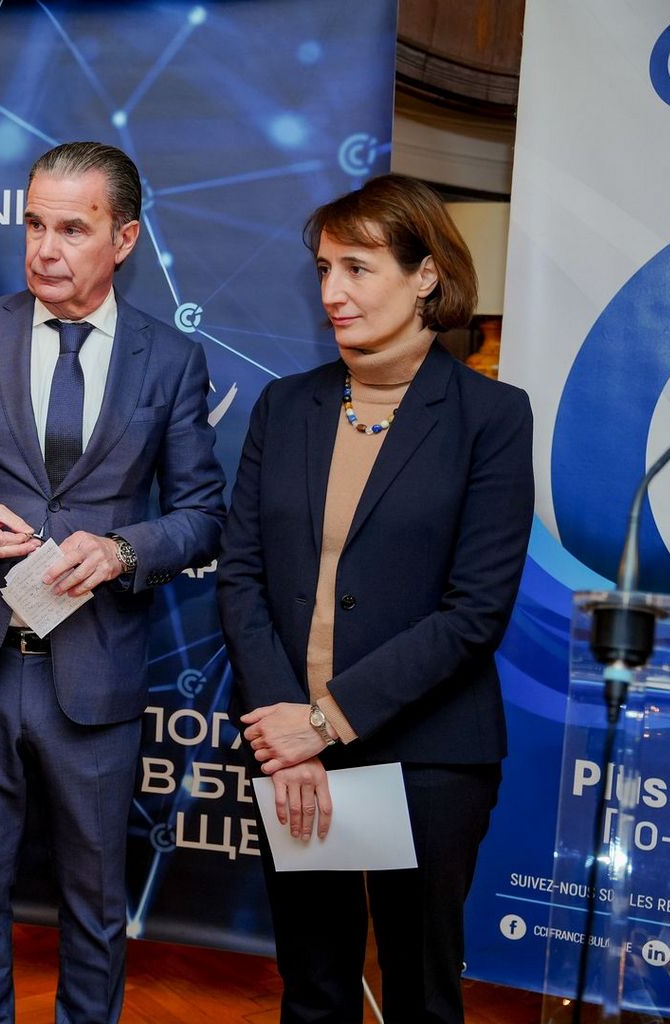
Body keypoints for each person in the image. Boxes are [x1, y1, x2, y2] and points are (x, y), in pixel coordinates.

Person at [0, 141, 226, 1024]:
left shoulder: (169, 359)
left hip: (94, 669)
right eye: (34, 223)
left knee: (96, 901)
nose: (45, 249)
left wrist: (122, 551)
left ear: (125, 239)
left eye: (73, 229)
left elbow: (202, 514)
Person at [216, 174, 535, 1023]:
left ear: (426, 275)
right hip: (293, 749)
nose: (333, 291)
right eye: (324, 269)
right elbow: (240, 573)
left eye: (357, 268)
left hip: (429, 752)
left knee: (421, 996)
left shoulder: (491, 416)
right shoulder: (287, 405)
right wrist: (287, 731)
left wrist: (324, 721)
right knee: (314, 989)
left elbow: (474, 612)